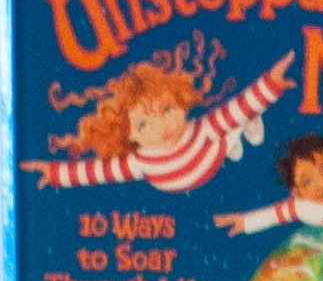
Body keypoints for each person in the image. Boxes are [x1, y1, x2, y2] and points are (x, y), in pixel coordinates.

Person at [24, 48, 297, 198]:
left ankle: (235, 138)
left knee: (233, 121)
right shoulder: (140, 161)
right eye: (144, 125)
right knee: (229, 128)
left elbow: (238, 106)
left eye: (167, 109)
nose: (162, 126)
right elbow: (95, 171)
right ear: (127, 134)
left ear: (182, 100)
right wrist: (55, 174)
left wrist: (272, 84)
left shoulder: (201, 131)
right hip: (190, 167)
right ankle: (233, 141)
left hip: (209, 154)